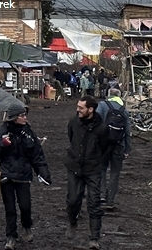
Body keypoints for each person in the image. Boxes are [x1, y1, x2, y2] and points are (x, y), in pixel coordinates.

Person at [0, 102, 52, 249]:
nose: (25, 118)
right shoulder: (2, 132)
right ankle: (11, 236)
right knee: (10, 208)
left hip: (23, 175)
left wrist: (43, 172)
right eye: (22, 115)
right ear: (14, 117)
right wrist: (2, 144)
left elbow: (37, 154)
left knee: (25, 205)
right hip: (6, 176)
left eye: (25, 115)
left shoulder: (28, 133)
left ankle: (27, 225)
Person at [66, 95, 110, 249]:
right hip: (74, 167)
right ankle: (72, 221)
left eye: (81, 107)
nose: (78, 109)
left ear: (90, 109)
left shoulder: (102, 128)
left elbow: (104, 147)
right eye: (78, 106)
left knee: (94, 203)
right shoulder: (73, 122)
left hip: (93, 169)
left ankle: (94, 238)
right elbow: (71, 138)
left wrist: (95, 160)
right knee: (73, 200)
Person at [96, 84, 131, 210]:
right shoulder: (124, 110)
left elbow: (96, 122)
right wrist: (127, 149)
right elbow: (127, 131)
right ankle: (110, 200)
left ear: (108, 95)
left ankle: (101, 195)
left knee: (101, 169)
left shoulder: (102, 105)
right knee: (115, 172)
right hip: (119, 145)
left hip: (103, 145)